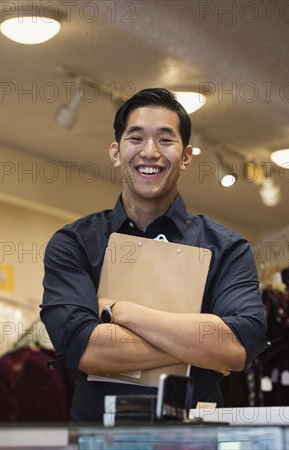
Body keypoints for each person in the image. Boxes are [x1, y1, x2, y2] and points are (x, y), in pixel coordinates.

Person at [40, 88, 269, 423]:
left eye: (165, 140)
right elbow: (83, 347)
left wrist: (121, 311)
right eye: (136, 138)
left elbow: (236, 348)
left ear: (187, 156)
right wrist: (199, 351)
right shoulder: (74, 243)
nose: (149, 152)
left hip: (194, 441)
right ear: (116, 152)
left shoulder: (226, 248)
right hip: (101, 441)